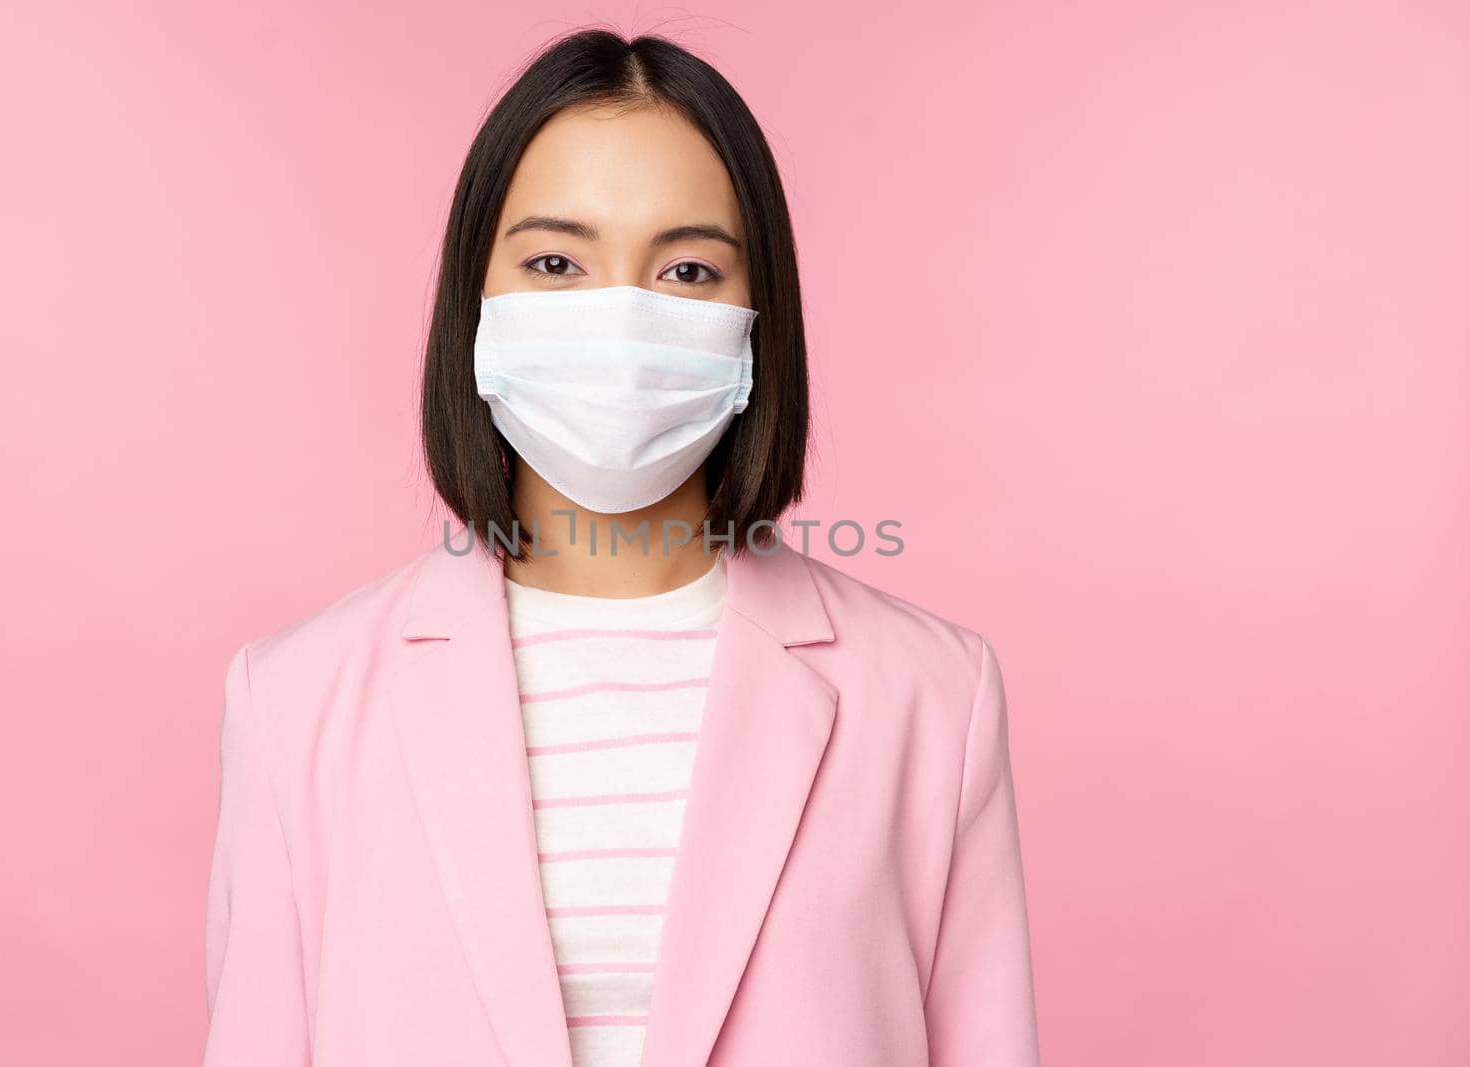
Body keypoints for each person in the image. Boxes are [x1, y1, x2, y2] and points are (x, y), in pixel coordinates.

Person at [203, 28, 1040, 1067]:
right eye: (556, 262)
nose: (620, 317)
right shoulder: (295, 699)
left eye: (687, 267)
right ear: (477, 308)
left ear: (754, 318)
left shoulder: (930, 695)